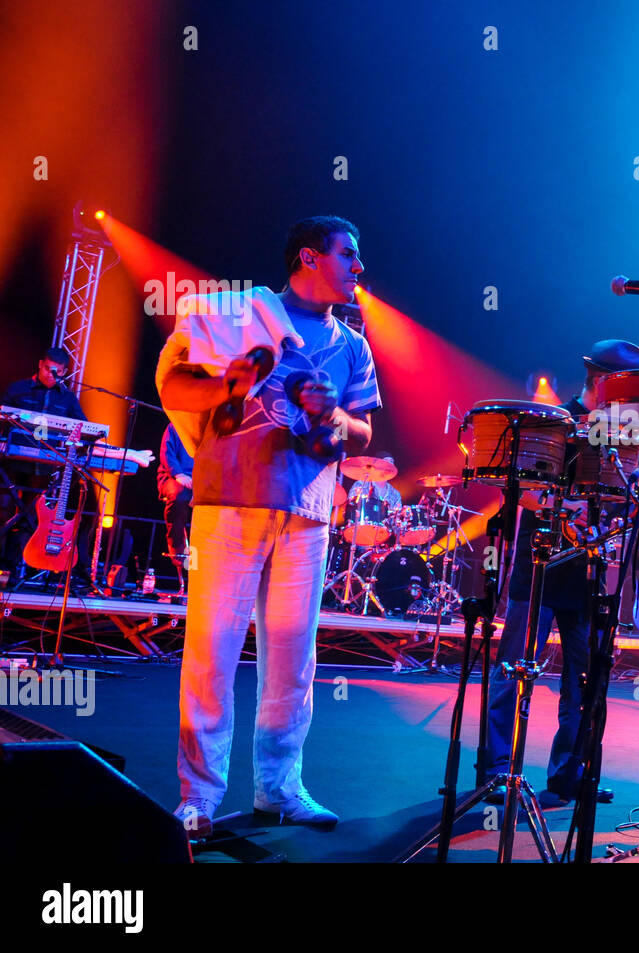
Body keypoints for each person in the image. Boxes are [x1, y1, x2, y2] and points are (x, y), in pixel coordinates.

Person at [157, 215, 379, 837]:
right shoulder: (235, 312)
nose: (359, 267)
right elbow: (174, 382)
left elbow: (363, 433)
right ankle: (198, 798)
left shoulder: (353, 344)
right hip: (229, 500)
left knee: (293, 661)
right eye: (349, 254)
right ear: (310, 257)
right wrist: (230, 382)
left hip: (307, 509)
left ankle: (280, 789)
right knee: (211, 654)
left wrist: (330, 411)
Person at [482, 339, 639, 808]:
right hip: (539, 567)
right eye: (625, 392)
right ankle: (496, 770)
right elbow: (519, 485)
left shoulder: (623, 435)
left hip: (588, 574)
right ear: (600, 383)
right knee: (512, 671)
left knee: (585, 680)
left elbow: (621, 497)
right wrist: (563, 506)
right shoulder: (554, 421)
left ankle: (568, 774)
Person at [0, 347, 89, 579]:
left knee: (31, 517)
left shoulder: (68, 399)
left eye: (56, 372)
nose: (50, 374)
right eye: (47, 369)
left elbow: (84, 427)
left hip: (44, 466)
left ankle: (14, 568)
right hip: (11, 462)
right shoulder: (18, 389)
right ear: (40, 364)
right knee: (2, 512)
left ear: (64, 371)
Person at [157, 423, 194, 589]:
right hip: (174, 476)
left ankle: (196, 561)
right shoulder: (175, 425)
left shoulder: (210, 428)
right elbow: (167, 453)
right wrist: (178, 474)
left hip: (198, 480)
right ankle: (177, 547)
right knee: (179, 496)